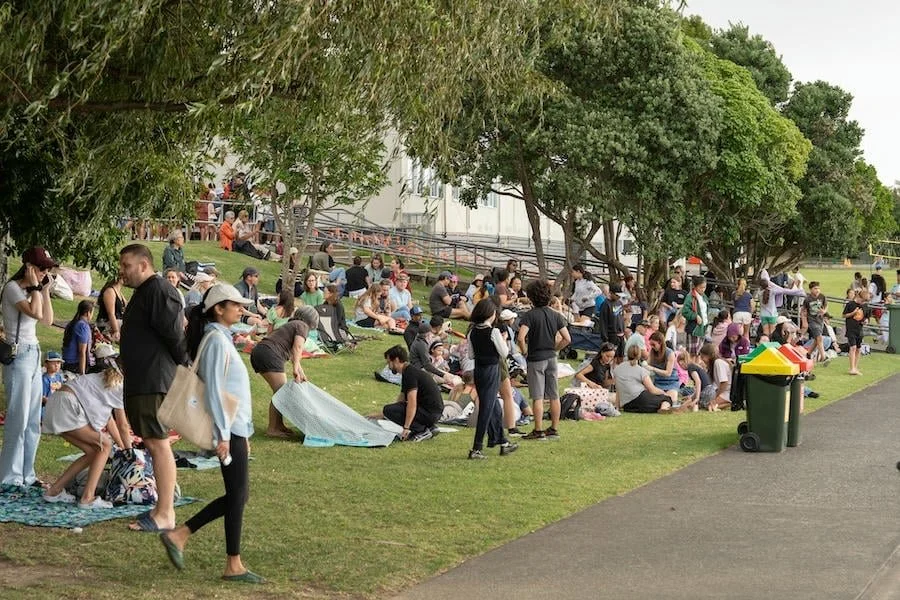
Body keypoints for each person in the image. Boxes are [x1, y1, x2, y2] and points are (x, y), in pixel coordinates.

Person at [161, 284, 264, 583]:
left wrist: (240, 434)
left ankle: (181, 535)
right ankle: (231, 563)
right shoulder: (216, 341)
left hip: (236, 429)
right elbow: (216, 394)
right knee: (237, 495)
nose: (241, 308)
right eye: (235, 304)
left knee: (238, 495)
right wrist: (224, 436)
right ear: (219, 308)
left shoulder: (222, 338)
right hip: (229, 430)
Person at [119, 243, 186, 531]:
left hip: (153, 381)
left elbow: (174, 336)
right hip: (142, 381)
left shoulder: (159, 290)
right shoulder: (143, 293)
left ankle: (165, 513)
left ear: (144, 265)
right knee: (152, 443)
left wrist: (188, 368)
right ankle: (162, 509)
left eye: (127, 266)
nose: (122, 272)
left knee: (158, 445)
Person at [41, 345, 132, 509]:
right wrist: (130, 452)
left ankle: (53, 491)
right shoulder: (119, 387)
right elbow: (123, 425)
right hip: (68, 406)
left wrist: (124, 447)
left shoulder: (100, 377)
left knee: (94, 451)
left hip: (56, 405)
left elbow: (109, 421)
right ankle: (87, 498)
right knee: (105, 445)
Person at [0, 246, 57, 487]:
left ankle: (27, 474)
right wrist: (35, 288)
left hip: (34, 353)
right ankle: (10, 477)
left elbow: (47, 320)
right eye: (42, 268)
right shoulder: (13, 289)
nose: (46, 272)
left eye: (48, 268)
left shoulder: (34, 290)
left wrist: (43, 291)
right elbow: (33, 312)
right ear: (29, 267)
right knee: (18, 417)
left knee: (33, 419)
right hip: (19, 355)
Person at [249, 305, 319, 437]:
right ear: (311, 321)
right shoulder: (302, 326)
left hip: (261, 352)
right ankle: (273, 429)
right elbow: (298, 347)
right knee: (281, 392)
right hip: (269, 354)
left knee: (281, 392)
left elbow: (294, 353)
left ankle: (278, 425)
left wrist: (300, 371)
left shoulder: (293, 324)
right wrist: (295, 369)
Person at [517, 279, 571, 440]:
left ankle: (538, 430)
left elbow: (521, 337)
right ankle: (554, 429)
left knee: (538, 396)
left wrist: (525, 352)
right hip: (551, 358)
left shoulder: (530, 315)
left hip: (536, 358)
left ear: (532, 297)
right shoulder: (556, 316)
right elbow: (567, 338)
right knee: (554, 395)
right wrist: (555, 349)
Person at [466, 298, 517, 459]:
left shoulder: (473, 331)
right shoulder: (493, 332)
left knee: (493, 404)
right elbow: (504, 353)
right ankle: (477, 448)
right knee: (486, 409)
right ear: (490, 314)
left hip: (479, 370)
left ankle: (502, 441)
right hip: (491, 370)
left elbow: (470, 355)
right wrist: (502, 341)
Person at [379, 345, 442, 441]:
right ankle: (430, 427)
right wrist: (382, 415)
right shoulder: (409, 371)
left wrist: (406, 427)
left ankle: (421, 430)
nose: (388, 366)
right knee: (389, 410)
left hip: (430, 413)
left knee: (389, 410)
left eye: (389, 362)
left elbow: (412, 402)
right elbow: (402, 398)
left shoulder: (410, 374)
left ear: (396, 360)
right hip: (433, 412)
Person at [613, 344, 680, 413]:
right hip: (643, 400)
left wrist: (617, 406)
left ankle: (661, 408)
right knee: (667, 398)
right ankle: (664, 408)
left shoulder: (617, 369)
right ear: (639, 355)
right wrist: (663, 393)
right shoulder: (641, 370)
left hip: (628, 406)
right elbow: (652, 390)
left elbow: (618, 390)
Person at [61, 300, 96, 375]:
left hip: (66, 362)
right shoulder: (82, 326)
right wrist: (82, 373)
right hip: (74, 365)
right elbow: (82, 352)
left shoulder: (72, 323)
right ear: (88, 313)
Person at [843, 288, 870, 376]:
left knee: (858, 348)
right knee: (853, 347)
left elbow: (867, 317)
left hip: (859, 329)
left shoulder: (865, 306)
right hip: (851, 329)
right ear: (858, 296)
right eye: (862, 300)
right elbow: (844, 315)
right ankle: (851, 368)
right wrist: (853, 313)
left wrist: (866, 321)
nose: (863, 302)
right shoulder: (850, 304)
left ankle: (855, 367)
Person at [698, 342, 732, 411]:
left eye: (702, 357)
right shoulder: (713, 365)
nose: (702, 360)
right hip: (724, 392)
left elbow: (724, 382)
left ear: (709, 356)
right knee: (704, 404)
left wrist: (716, 396)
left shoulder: (718, 362)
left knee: (708, 405)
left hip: (727, 393)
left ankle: (731, 403)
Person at [645, 331, 681, 396]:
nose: (652, 347)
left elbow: (668, 373)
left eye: (653, 344)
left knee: (670, 400)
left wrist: (653, 368)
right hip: (658, 382)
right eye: (650, 345)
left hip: (671, 382)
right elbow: (647, 365)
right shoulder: (652, 352)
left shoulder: (670, 353)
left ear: (660, 343)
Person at [681, 276, 709, 356]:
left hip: (703, 327)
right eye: (701, 287)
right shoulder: (690, 297)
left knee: (699, 353)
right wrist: (695, 316)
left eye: (704, 287)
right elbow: (685, 311)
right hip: (694, 328)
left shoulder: (704, 296)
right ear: (695, 286)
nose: (703, 289)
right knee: (692, 353)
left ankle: (696, 367)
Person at [802, 281, 829, 362]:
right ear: (811, 290)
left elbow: (826, 305)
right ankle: (823, 357)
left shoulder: (822, 297)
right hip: (812, 321)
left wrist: (824, 311)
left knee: (817, 339)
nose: (817, 290)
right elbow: (804, 311)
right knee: (819, 338)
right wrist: (804, 322)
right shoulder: (807, 299)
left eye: (818, 288)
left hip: (820, 320)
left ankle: (808, 353)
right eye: (815, 288)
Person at [96, 277, 127, 342]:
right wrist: (116, 331)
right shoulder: (110, 291)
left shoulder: (119, 292)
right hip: (105, 324)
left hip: (117, 322)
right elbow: (111, 314)